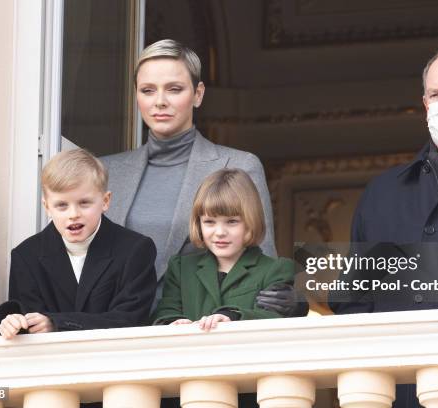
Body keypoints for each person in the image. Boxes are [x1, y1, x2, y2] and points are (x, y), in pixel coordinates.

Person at [329, 43, 438, 407]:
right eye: (436, 94)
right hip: (401, 396)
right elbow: (351, 301)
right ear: (425, 105)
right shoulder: (382, 194)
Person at [100, 39, 304, 316]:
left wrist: (293, 301)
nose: (160, 101)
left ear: (198, 94)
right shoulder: (106, 172)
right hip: (115, 338)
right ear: (136, 96)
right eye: (148, 90)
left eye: (174, 89)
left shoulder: (239, 164)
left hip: (201, 335)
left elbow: (260, 264)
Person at [0, 149, 157, 339]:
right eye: (62, 205)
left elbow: (130, 320)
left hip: (114, 361)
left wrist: (57, 323)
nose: (73, 214)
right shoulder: (26, 256)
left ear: (105, 201)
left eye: (84, 203)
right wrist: (13, 323)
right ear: (47, 207)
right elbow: (28, 322)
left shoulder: (135, 249)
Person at [152, 168, 295, 328]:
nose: (220, 232)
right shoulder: (181, 268)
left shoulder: (275, 269)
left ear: (251, 221)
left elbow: (273, 318)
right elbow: (164, 312)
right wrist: (173, 322)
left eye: (232, 221)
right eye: (209, 222)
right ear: (198, 223)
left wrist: (233, 317)